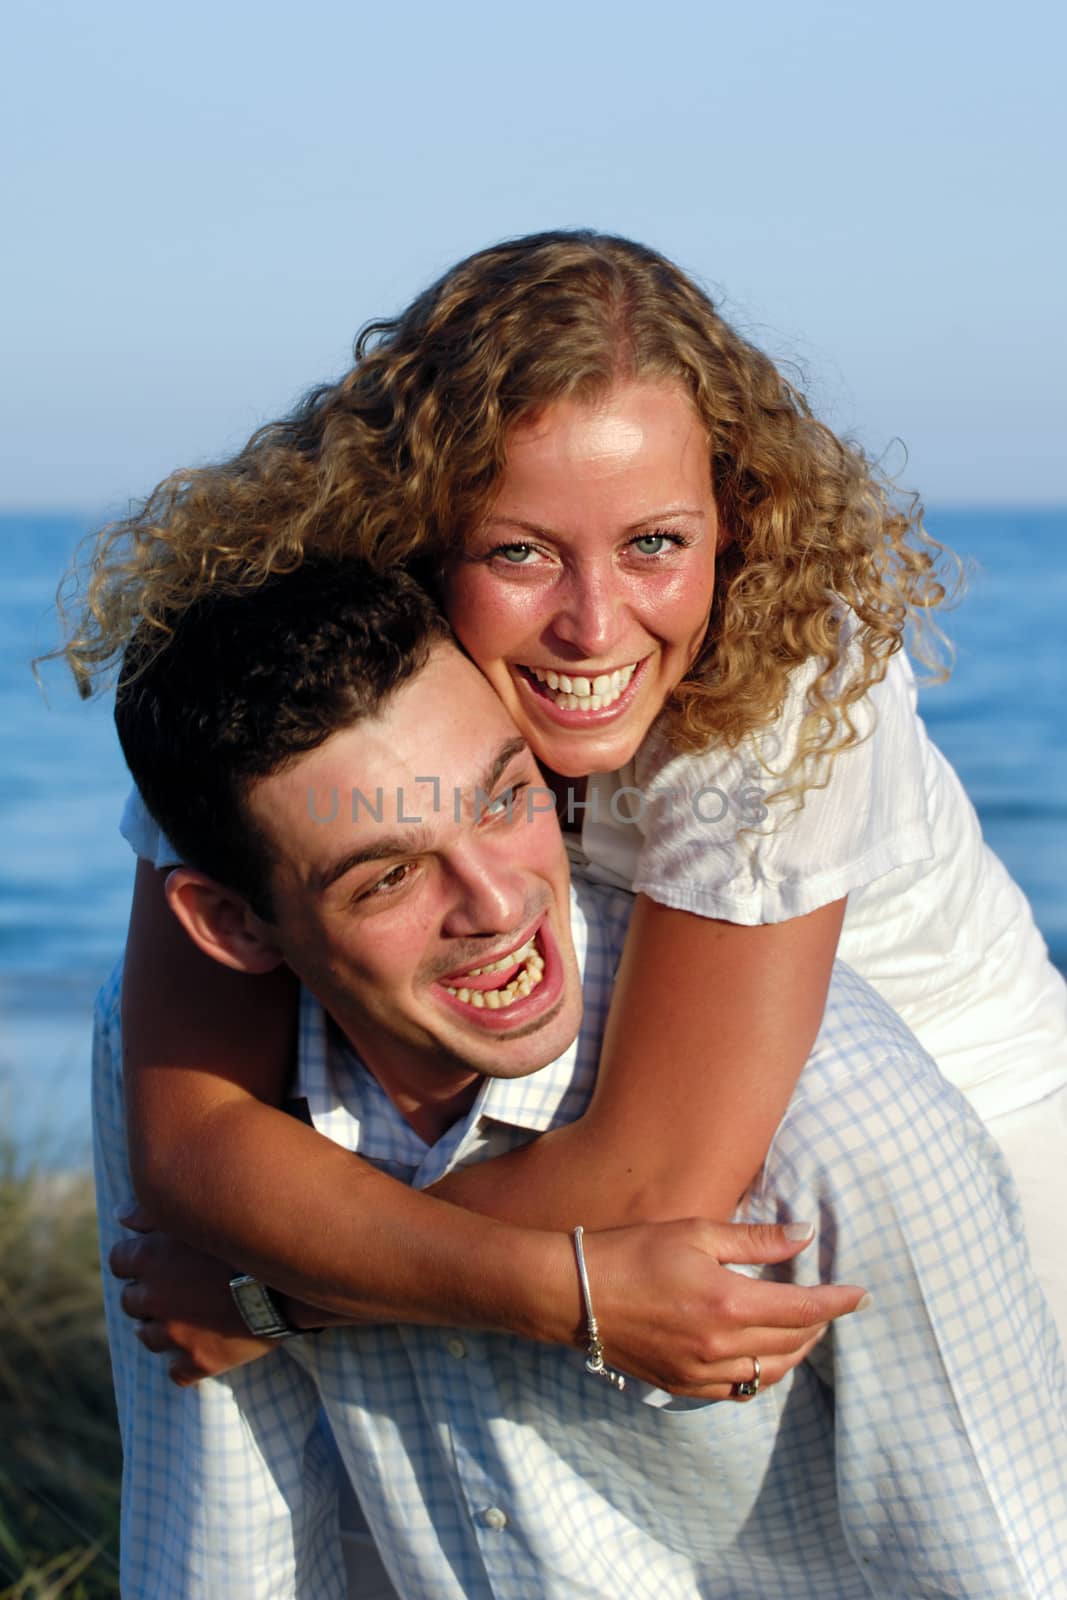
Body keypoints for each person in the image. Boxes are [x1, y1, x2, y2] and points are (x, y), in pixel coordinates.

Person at [66, 230, 1067, 1351]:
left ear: (732, 518)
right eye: (518, 553)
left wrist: (275, 1294)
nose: (593, 627)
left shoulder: (787, 676)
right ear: (414, 531)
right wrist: (496, 1277)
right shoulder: (306, 671)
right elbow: (191, 1125)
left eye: (653, 541)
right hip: (588, 1168)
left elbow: (647, 1176)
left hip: (961, 1143)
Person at [95, 559, 1067, 1599]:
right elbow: (218, 1533)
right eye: (388, 875)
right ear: (233, 924)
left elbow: (1005, 1568)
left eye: (507, 799)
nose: (495, 903)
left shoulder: (843, 1131)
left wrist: (277, 1298)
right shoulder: (199, 1093)